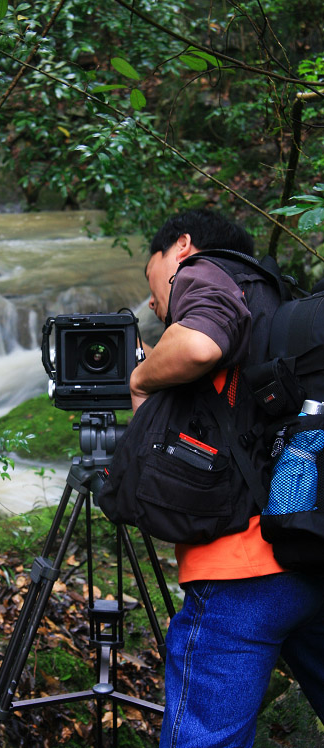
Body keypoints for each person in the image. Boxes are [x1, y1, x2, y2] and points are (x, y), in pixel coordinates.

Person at [129, 208, 324, 748]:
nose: (152, 298)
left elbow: (197, 346)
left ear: (182, 247)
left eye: (153, 273)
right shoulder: (279, 301)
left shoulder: (203, 271)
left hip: (240, 572)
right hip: (309, 547)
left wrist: (141, 378)